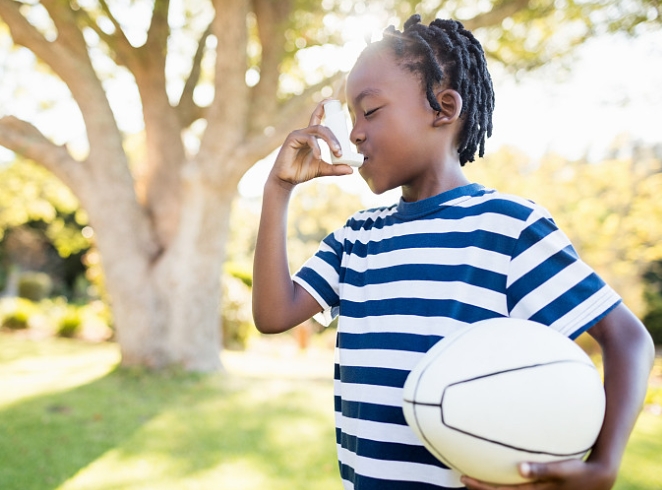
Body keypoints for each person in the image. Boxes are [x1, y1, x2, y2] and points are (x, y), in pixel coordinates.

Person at [252, 14, 655, 490]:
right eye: (351, 116)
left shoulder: (508, 227)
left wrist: (602, 466)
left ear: (443, 108)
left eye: (371, 111)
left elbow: (629, 339)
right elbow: (273, 315)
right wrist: (277, 189)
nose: (355, 134)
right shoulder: (357, 238)